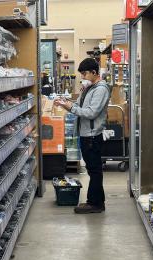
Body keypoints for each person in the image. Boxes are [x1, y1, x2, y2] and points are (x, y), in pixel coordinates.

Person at [54, 58, 110, 214]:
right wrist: (66, 103)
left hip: (92, 136)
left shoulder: (101, 89)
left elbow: (91, 113)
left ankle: (95, 204)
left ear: (94, 72)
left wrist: (71, 107)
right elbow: (78, 106)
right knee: (94, 169)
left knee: (94, 170)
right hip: (85, 134)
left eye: (85, 73)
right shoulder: (89, 88)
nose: (83, 77)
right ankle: (98, 201)